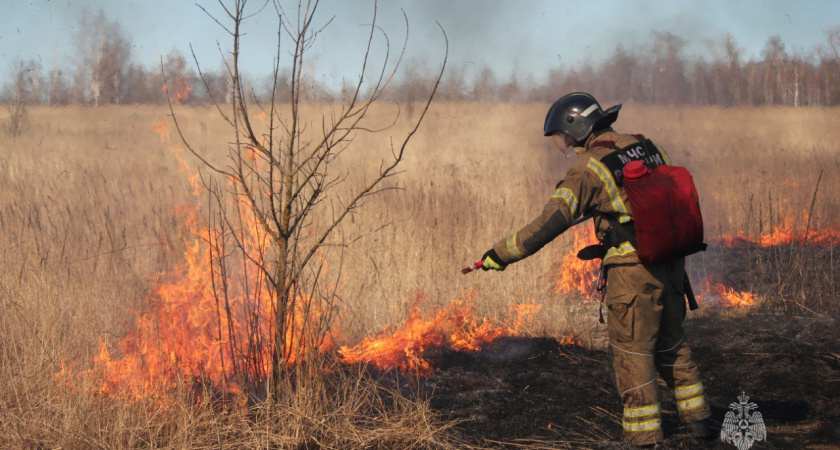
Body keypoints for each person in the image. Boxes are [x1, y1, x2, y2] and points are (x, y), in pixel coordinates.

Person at [478, 92, 712, 447]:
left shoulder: (590, 167)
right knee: (672, 343)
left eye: (562, 135)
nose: (564, 144)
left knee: (633, 354)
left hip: (633, 272)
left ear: (577, 128)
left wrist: (500, 254)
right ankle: (699, 421)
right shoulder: (648, 146)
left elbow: (549, 223)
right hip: (670, 263)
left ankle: (645, 436)